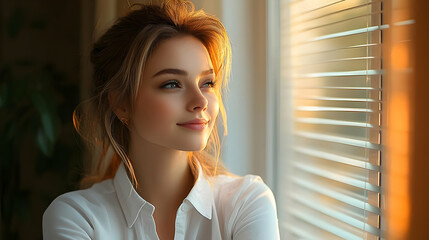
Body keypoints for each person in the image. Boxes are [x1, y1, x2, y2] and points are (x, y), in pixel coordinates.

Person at [42, 0, 280, 239]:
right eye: (172, 84)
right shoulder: (77, 217)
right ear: (121, 104)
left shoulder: (247, 203)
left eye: (207, 83)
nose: (201, 101)